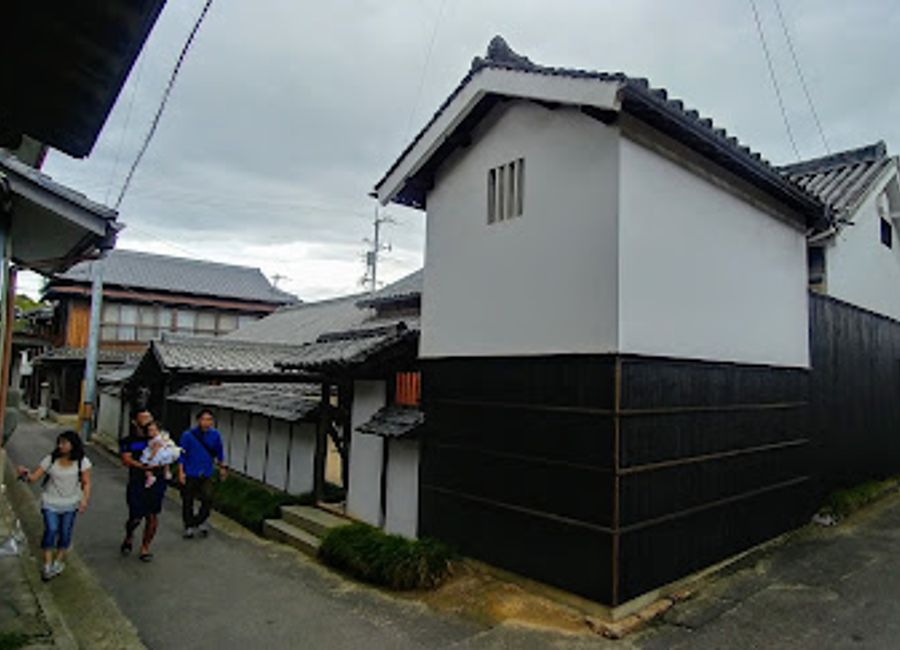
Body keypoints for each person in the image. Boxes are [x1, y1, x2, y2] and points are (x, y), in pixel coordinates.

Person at [17, 430, 92, 581]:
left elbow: (86, 482)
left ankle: (58, 561)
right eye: (59, 442)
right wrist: (24, 474)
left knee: (65, 532)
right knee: (51, 529)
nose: (60, 446)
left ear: (73, 445)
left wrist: (84, 499)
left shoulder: (82, 462)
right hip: (50, 502)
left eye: (64, 443)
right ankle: (47, 564)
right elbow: (33, 478)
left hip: (71, 503)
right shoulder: (50, 459)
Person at [119, 409, 166, 561]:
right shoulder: (128, 440)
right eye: (144, 418)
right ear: (135, 422)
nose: (148, 421)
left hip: (157, 481)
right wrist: (143, 466)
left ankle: (145, 547)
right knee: (136, 517)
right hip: (137, 481)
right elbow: (126, 459)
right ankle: (129, 535)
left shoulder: (158, 438)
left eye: (150, 418)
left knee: (152, 515)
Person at [178, 408, 226, 539]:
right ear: (198, 420)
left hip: (206, 471)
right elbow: (181, 454)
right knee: (188, 500)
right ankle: (188, 525)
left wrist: (222, 467)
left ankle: (200, 520)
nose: (207, 422)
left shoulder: (215, 435)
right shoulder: (188, 435)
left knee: (208, 498)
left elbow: (219, 452)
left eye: (210, 419)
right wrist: (181, 472)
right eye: (204, 419)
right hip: (190, 471)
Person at [139, 421, 182, 488]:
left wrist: (151, 456)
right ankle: (166, 472)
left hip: (159, 453)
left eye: (153, 430)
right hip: (164, 451)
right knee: (165, 461)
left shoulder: (156, 440)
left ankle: (151, 476)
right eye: (149, 430)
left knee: (147, 463)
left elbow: (156, 449)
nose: (151, 432)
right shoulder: (160, 437)